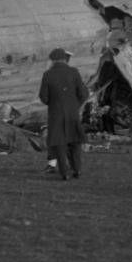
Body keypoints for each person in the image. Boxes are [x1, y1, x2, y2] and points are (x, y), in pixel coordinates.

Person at [39, 48, 88, 180]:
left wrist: (54, 103)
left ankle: (64, 173)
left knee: (59, 143)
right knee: (75, 142)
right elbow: (83, 93)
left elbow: (43, 97)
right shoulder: (74, 72)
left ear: (53, 60)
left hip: (56, 113)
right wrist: (75, 105)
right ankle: (77, 170)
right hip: (72, 113)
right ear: (64, 59)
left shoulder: (47, 74)